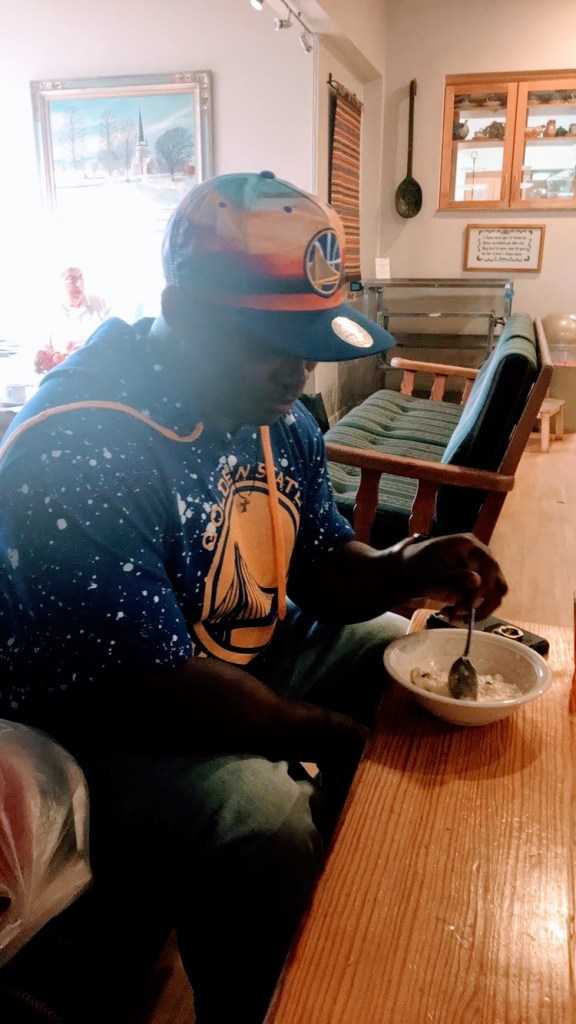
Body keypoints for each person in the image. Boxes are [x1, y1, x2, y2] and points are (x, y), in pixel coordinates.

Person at [0, 171, 508, 1023]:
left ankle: (368, 894)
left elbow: (317, 560)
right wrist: (321, 735)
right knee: (263, 815)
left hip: (223, 652)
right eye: (273, 341)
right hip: (84, 721)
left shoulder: (274, 411)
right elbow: (151, 687)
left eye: (310, 341)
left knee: (395, 642)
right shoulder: (80, 447)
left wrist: (402, 565)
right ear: (186, 313)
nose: (300, 372)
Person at [48, 265, 110, 351]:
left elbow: (113, 337)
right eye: (71, 279)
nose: (78, 284)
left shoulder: (100, 302)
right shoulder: (50, 312)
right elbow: (43, 352)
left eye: (80, 276)